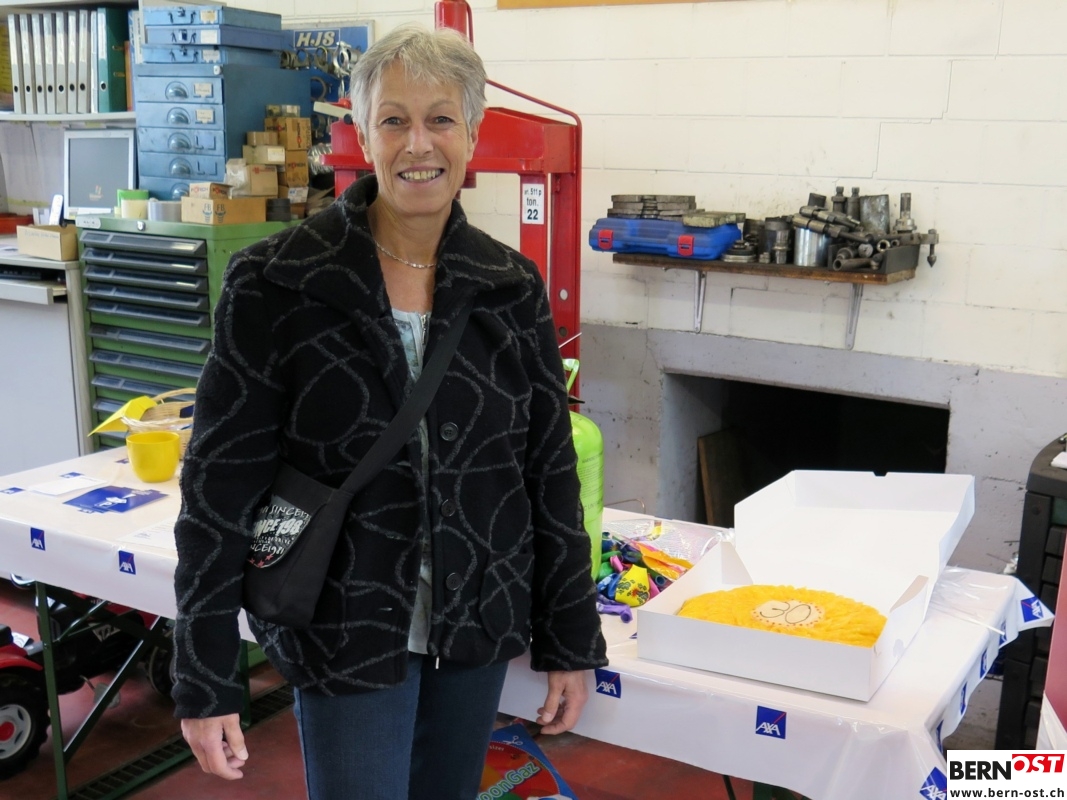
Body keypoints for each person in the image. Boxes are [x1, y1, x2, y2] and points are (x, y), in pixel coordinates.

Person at [171, 23, 608, 800]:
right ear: (363, 134)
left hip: (475, 618)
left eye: (440, 119)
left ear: (471, 133)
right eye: (394, 120)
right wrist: (205, 676)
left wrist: (570, 638)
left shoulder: (508, 288)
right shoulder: (278, 282)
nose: (418, 144)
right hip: (342, 623)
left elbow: (548, 473)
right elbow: (218, 485)